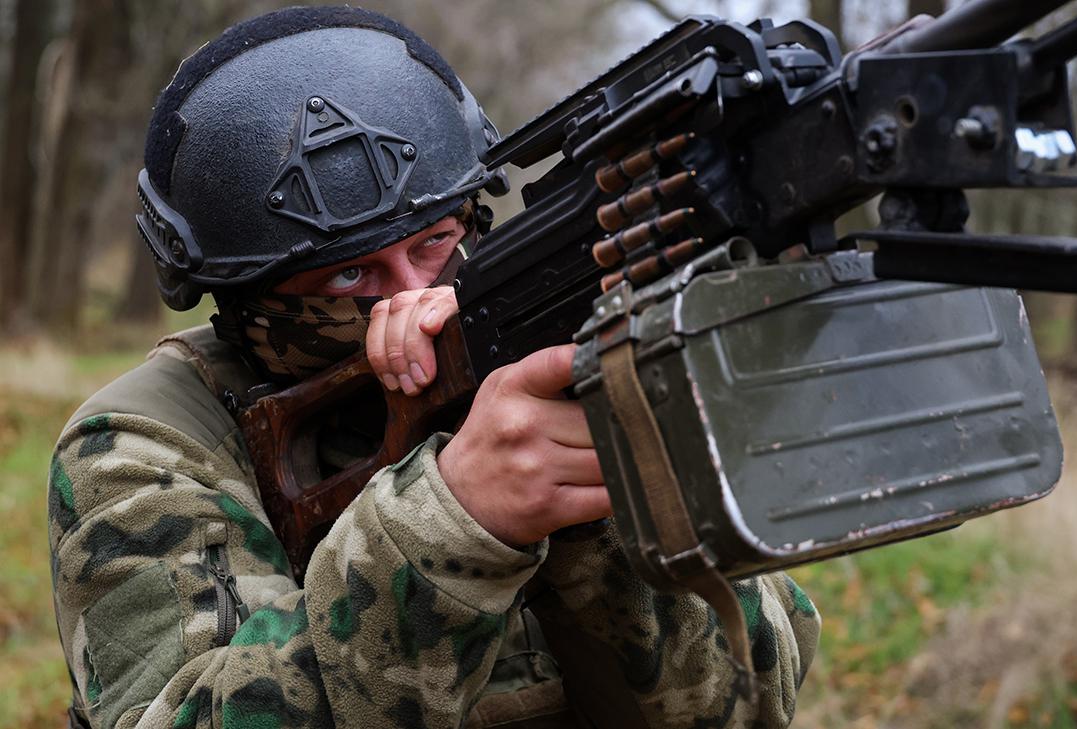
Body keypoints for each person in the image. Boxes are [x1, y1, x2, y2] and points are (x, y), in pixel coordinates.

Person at [48, 7, 820, 728]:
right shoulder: (141, 444)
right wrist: (452, 523)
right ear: (243, 299)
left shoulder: (573, 371)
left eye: (434, 244)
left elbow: (746, 704)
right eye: (349, 278)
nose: (415, 299)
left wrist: (598, 514)